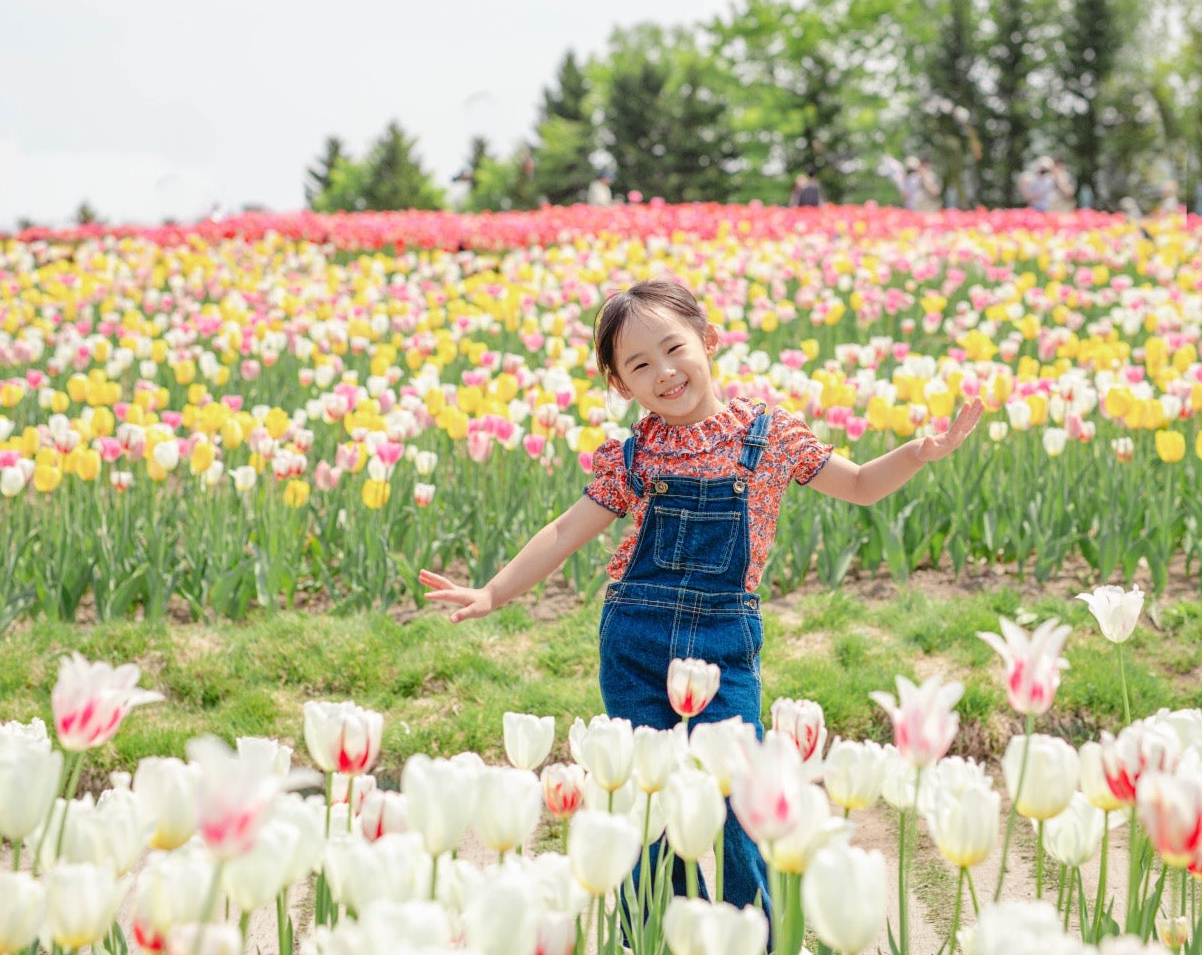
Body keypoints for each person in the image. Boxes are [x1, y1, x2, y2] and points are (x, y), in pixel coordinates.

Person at [418, 278, 983, 915]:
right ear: (621, 386)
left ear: (709, 340)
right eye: (638, 365)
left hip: (725, 641)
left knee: (747, 797)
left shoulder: (770, 436)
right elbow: (566, 530)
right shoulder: (634, 454)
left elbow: (856, 485)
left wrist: (916, 453)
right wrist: (494, 591)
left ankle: (752, 933)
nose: (663, 372)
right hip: (636, 639)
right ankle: (669, 929)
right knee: (646, 799)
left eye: (673, 348)